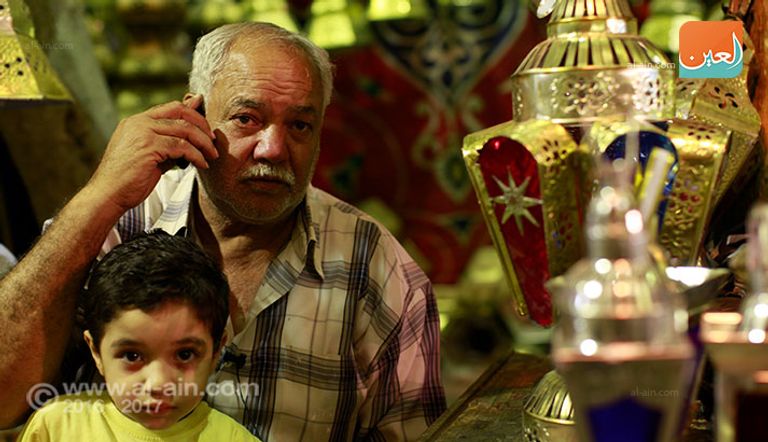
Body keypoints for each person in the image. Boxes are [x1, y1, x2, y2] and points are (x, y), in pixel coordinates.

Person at [0, 22, 446, 441]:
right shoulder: (117, 222)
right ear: (193, 113)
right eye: (247, 118)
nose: (273, 148)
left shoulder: (379, 271)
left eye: (299, 126)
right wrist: (97, 197)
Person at [18, 231, 258, 441]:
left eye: (185, 354)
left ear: (216, 351)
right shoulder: (55, 427)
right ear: (96, 351)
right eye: (132, 356)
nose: (158, 384)